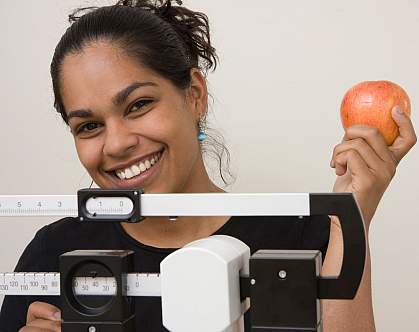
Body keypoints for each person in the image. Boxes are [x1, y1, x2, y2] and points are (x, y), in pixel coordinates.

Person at [0, 1, 416, 331]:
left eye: (139, 105)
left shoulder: (304, 236)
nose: (117, 143)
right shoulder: (52, 254)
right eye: (88, 125)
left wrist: (352, 219)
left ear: (194, 95)